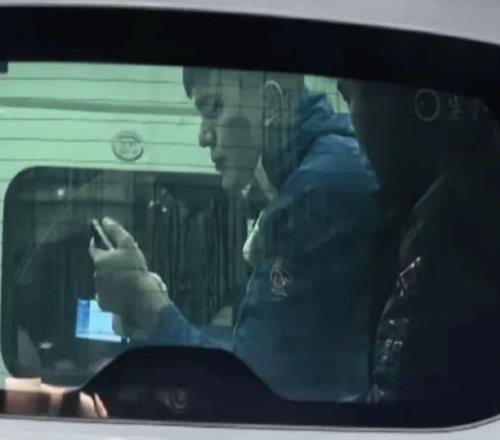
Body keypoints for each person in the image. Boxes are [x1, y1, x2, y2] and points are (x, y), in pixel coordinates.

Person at [90, 69, 380, 401]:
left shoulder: (316, 192)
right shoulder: (323, 169)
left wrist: (148, 306)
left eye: (214, 107)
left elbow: (247, 391)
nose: (203, 137)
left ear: (271, 105)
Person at [339, 79, 500, 404]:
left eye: (350, 97)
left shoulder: (447, 237)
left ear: (419, 105)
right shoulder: (436, 208)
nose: (353, 125)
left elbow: (401, 398)